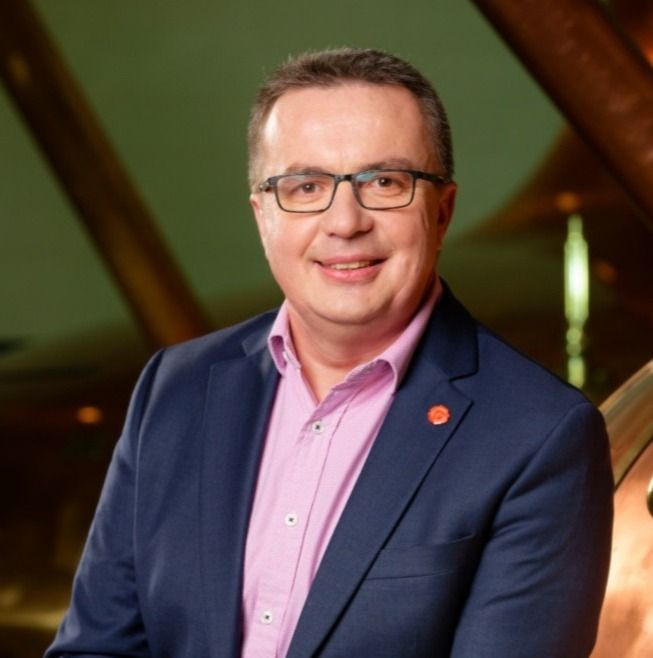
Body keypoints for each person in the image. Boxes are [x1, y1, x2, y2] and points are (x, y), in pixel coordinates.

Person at [46, 48, 613, 658]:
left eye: (385, 182)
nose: (345, 222)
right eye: (306, 186)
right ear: (263, 216)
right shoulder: (175, 389)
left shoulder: (539, 437)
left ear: (442, 212)